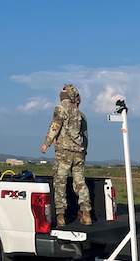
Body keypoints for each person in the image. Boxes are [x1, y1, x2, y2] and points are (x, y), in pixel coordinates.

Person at [40, 84, 92, 228]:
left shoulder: (60, 108)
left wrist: (46, 143)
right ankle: (86, 213)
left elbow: (55, 126)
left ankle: (60, 217)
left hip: (64, 152)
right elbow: (85, 137)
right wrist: (84, 151)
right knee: (80, 182)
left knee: (60, 183)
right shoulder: (79, 114)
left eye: (63, 90)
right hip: (78, 152)